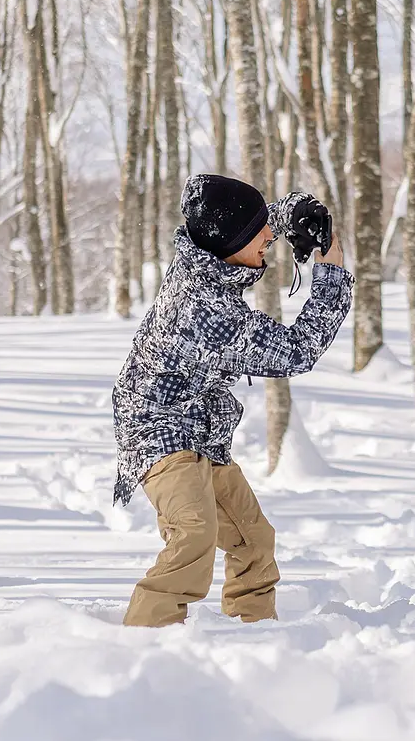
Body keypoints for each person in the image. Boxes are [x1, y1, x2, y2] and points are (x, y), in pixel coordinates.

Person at [113, 173, 352, 627]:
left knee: (253, 539)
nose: (269, 238)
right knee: (194, 536)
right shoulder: (208, 312)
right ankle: (146, 640)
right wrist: (332, 277)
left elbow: (238, 231)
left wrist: (294, 214)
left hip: (200, 431)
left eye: (267, 227)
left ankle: (254, 631)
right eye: (260, 231)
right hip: (157, 432)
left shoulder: (203, 255)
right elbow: (297, 352)